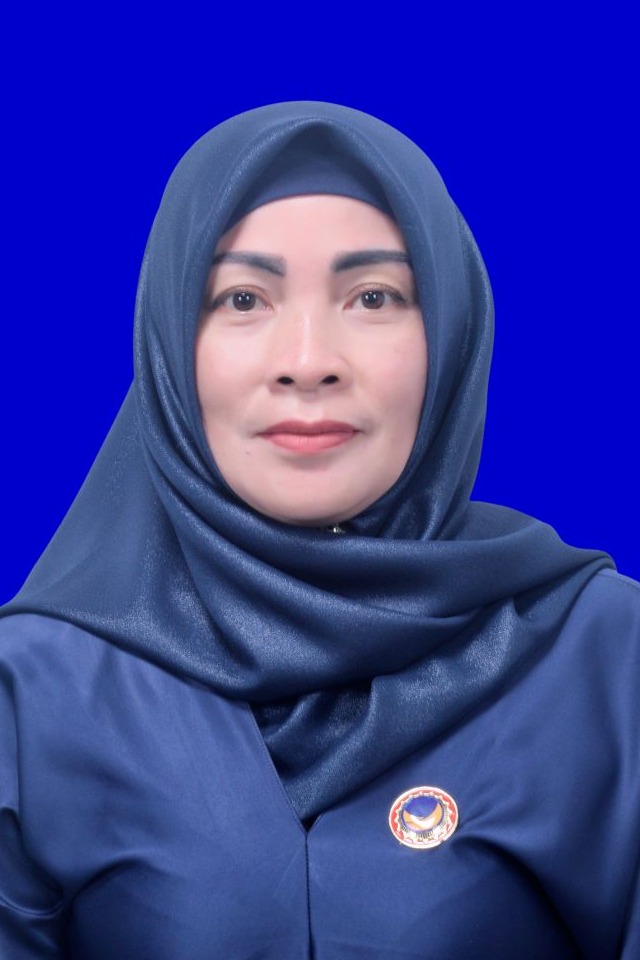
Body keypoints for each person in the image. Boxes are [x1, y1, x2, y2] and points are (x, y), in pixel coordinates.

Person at [0, 101, 638, 959]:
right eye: (243, 298)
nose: (308, 361)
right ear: (171, 346)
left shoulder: (605, 658)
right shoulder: (32, 692)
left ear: (450, 334)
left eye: (373, 297)